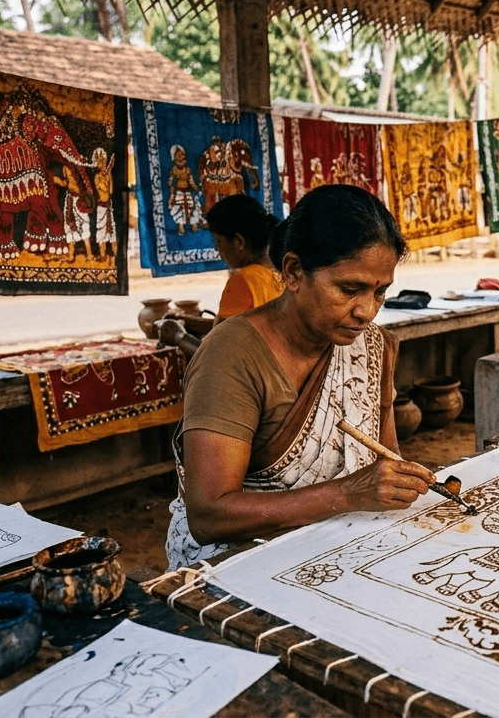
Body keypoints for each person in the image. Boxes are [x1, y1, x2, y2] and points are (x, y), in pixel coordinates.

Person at [164, 184, 434, 570]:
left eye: (380, 292)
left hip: (336, 544)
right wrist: (345, 494)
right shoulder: (233, 355)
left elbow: (384, 458)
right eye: (349, 289)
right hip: (236, 559)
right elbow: (209, 515)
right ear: (293, 272)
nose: (367, 311)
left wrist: (388, 486)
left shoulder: (372, 346)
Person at [158, 194, 285, 353]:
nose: (217, 249)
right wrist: (185, 321)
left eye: (218, 241)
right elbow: (234, 326)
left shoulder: (243, 281)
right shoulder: (283, 272)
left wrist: (179, 337)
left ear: (239, 242)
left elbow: (220, 353)